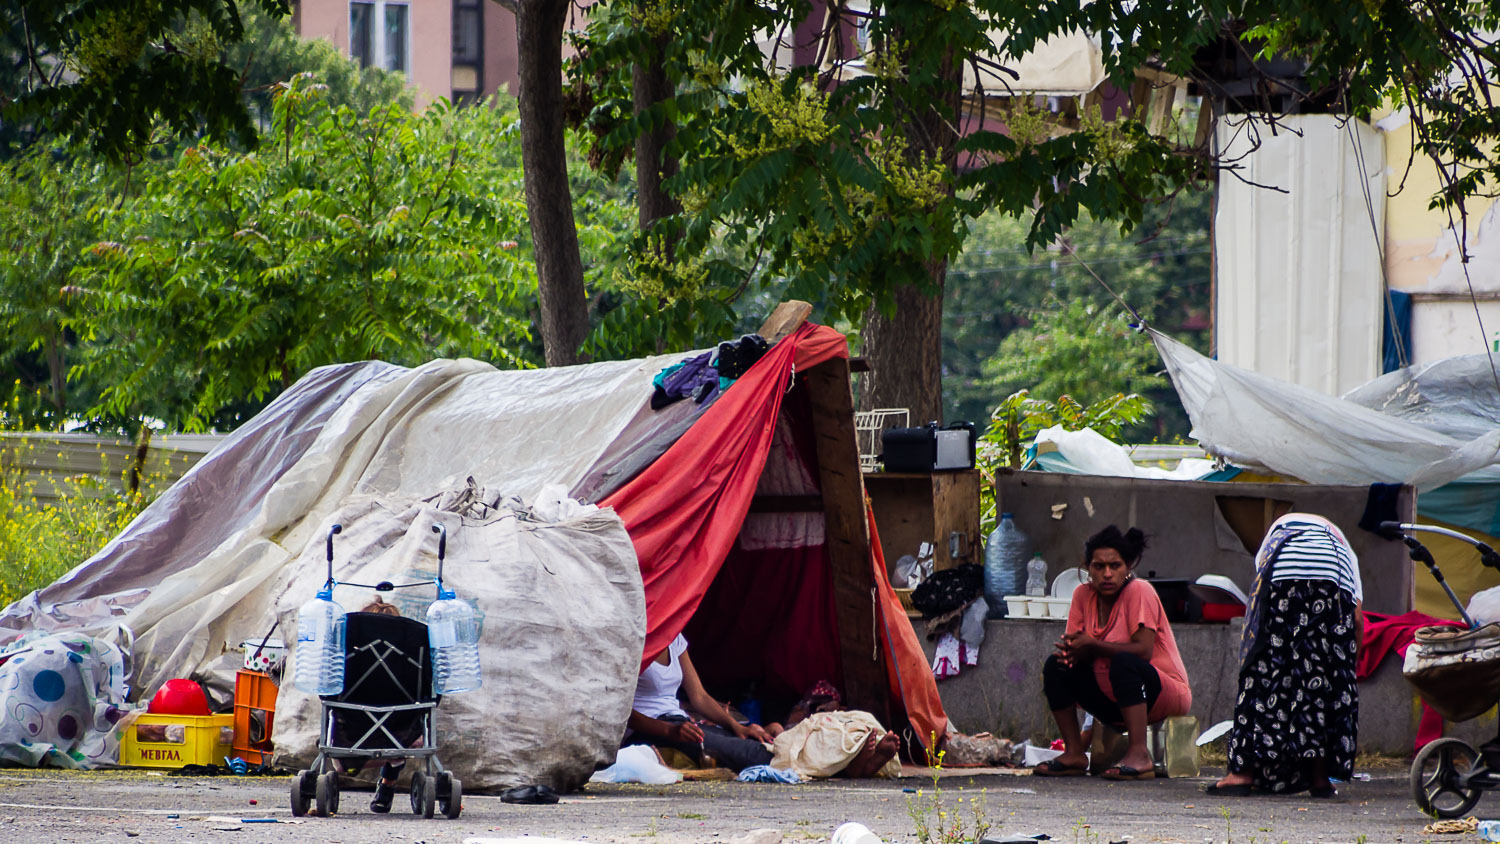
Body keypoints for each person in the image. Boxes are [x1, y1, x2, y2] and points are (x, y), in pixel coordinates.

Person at [1208, 513, 1364, 797]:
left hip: (1283, 569)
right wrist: (1347, 671)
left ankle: (1241, 774)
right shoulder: (1343, 549)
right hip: (1332, 574)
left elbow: (1261, 597)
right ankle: (1319, 779)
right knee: (1317, 678)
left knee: (1264, 672)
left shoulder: (1277, 534)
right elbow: (1356, 616)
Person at [1034, 525, 1191, 781]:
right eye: (1098, 567)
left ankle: (1139, 754)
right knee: (1056, 665)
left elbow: (1142, 651)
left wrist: (1093, 645)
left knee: (1124, 663)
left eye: (1115, 566)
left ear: (1127, 566)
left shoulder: (1139, 591)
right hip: (1112, 697)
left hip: (1162, 692)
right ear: (1088, 567)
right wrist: (1075, 653)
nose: (1107, 574)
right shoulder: (1082, 595)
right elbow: (1079, 649)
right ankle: (1074, 752)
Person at [626, 633, 775, 773]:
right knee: (753, 754)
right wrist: (670, 730)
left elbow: (699, 696)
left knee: (760, 744)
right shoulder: (629, 640)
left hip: (679, 723)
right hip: (650, 731)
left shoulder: (675, 637)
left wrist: (736, 726)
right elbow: (621, 712)